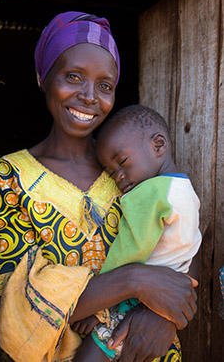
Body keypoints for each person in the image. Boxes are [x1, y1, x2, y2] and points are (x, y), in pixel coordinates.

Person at [0, 12, 198, 362]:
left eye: (105, 85)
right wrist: (137, 280)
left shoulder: (132, 168)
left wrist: (163, 316)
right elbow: (18, 308)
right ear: (43, 77)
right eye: (73, 77)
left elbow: (183, 236)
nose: (89, 96)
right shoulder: (1, 181)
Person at [73, 104, 201, 362]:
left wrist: (96, 307)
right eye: (111, 172)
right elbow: (193, 246)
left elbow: (130, 249)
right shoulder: (185, 190)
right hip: (167, 300)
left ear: (158, 145)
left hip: (135, 301)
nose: (119, 177)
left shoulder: (151, 194)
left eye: (122, 162)